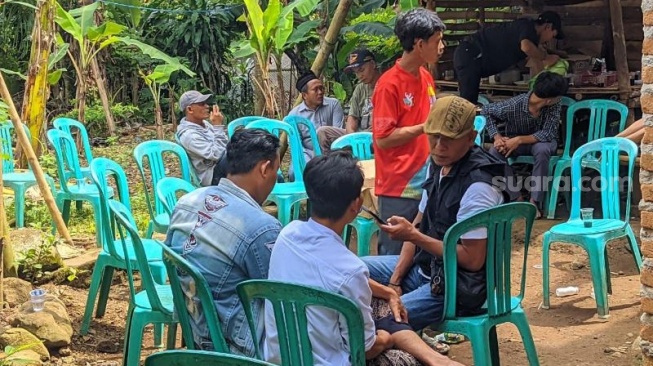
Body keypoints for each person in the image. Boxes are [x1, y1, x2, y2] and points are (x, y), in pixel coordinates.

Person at [266, 151, 464, 366]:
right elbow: (367, 349)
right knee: (406, 359)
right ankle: (434, 359)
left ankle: (434, 358)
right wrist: (386, 339)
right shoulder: (350, 270)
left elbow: (334, 277)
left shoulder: (287, 235)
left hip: (279, 356)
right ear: (356, 204)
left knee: (383, 306)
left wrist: (388, 290)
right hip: (327, 360)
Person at [362, 95, 509, 332]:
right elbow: (419, 225)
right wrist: (395, 281)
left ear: (471, 138)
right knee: (353, 270)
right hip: (427, 268)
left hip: (458, 287)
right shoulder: (438, 164)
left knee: (378, 323)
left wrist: (414, 236)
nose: (439, 146)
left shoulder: (479, 185)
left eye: (449, 139)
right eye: (434, 136)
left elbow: (473, 260)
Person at [165, 129, 282, 356]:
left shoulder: (187, 201)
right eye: (276, 170)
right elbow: (279, 295)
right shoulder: (261, 227)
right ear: (265, 169)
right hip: (235, 345)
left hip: (195, 331)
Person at [372, 8, 445, 255]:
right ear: (419, 44)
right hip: (399, 185)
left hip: (427, 178)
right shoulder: (388, 84)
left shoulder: (425, 76)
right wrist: (425, 127)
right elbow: (383, 140)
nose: (442, 47)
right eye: (437, 42)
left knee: (421, 252)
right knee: (393, 255)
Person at [483, 71, 568, 217]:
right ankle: (516, 199)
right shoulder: (514, 105)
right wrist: (497, 137)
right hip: (515, 143)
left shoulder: (554, 105)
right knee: (495, 152)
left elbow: (547, 133)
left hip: (542, 143)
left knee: (542, 150)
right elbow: (486, 111)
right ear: (549, 100)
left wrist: (519, 139)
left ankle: (535, 202)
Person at [454, 11, 564, 104]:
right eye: (553, 36)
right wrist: (545, 57)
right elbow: (526, 47)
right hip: (471, 53)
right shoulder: (527, 26)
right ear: (547, 27)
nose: (550, 40)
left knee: (470, 102)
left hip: (473, 57)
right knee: (467, 104)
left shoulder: (530, 38)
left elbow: (533, 58)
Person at [317, 49, 382, 154]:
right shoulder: (360, 88)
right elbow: (352, 119)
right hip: (358, 134)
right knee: (323, 132)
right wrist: (352, 137)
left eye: (361, 70)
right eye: (356, 72)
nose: (359, 76)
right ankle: (330, 167)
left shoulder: (387, 84)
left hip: (377, 135)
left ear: (373, 64)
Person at [288, 71, 345, 163]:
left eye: (321, 88)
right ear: (304, 95)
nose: (320, 92)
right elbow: (296, 145)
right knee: (293, 174)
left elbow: (338, 134)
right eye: (315, 89)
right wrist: (308, 162)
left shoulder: (333, 105)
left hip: (331, 152)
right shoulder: (294, 115)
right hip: (307, 155)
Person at [176, 90, 228, 186]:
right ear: (190, 109)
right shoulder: (189, 136)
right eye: (202, 104)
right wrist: (218, 126)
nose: (207, 106)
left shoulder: (205, 124)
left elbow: (224, 145)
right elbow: (218, 154)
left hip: (221, 165)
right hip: (212, 176)